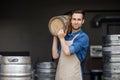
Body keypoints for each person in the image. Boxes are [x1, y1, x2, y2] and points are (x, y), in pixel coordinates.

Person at [52, 9, 89, 80]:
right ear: (70, 21)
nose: (76, 22)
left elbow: (67, 52)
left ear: (82, 21)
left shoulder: (83, 37)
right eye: (74, 19)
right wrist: (55, 36)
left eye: (79, 19)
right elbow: (55, 55)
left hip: (73, 77)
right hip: (60, 76)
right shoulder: (66, 36)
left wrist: (61, 38)